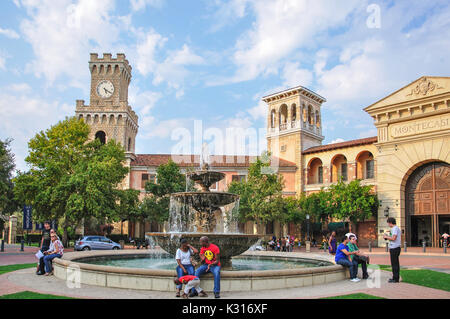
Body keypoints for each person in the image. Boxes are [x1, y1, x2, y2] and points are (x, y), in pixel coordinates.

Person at [383, 217, 401, 283]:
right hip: (394, 248)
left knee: (395, 264)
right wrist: (387, 236)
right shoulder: (394, 229)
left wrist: (386, 237)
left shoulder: (395, 228)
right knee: (394, 263)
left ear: (390, 222)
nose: (388, 225)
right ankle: (395, 277)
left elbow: (394, 238)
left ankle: (396, 278)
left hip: (395, 248)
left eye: (388, 223)